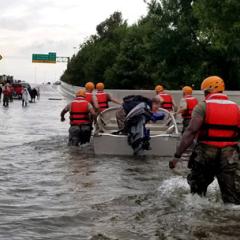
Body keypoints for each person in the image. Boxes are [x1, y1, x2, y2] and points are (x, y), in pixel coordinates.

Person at [169, 76, 240, 204]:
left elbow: (190, 132)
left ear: (207, 91)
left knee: (197, 193)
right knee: (232, 196)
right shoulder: (236, 107)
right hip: (230, 154)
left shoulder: (202, 106)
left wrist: (177, 156)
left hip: (207, 152)